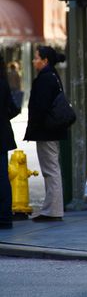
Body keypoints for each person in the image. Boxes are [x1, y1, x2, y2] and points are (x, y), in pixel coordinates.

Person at [24, 46, 67, 222]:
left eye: (36, 58)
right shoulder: (52, 76)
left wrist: (34, 125)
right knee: (51, 169)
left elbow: (40, 107)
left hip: (46, 131)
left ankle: (53, 210)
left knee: (50, 170)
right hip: (51, 130)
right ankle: (51, 208)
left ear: (45, 60)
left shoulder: (45, 78)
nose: (34, 61)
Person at [0, 55, 20, 229]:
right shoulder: (3, 82)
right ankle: (5, 216)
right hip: (2, 134)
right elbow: (14, 108)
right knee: (2, 177)